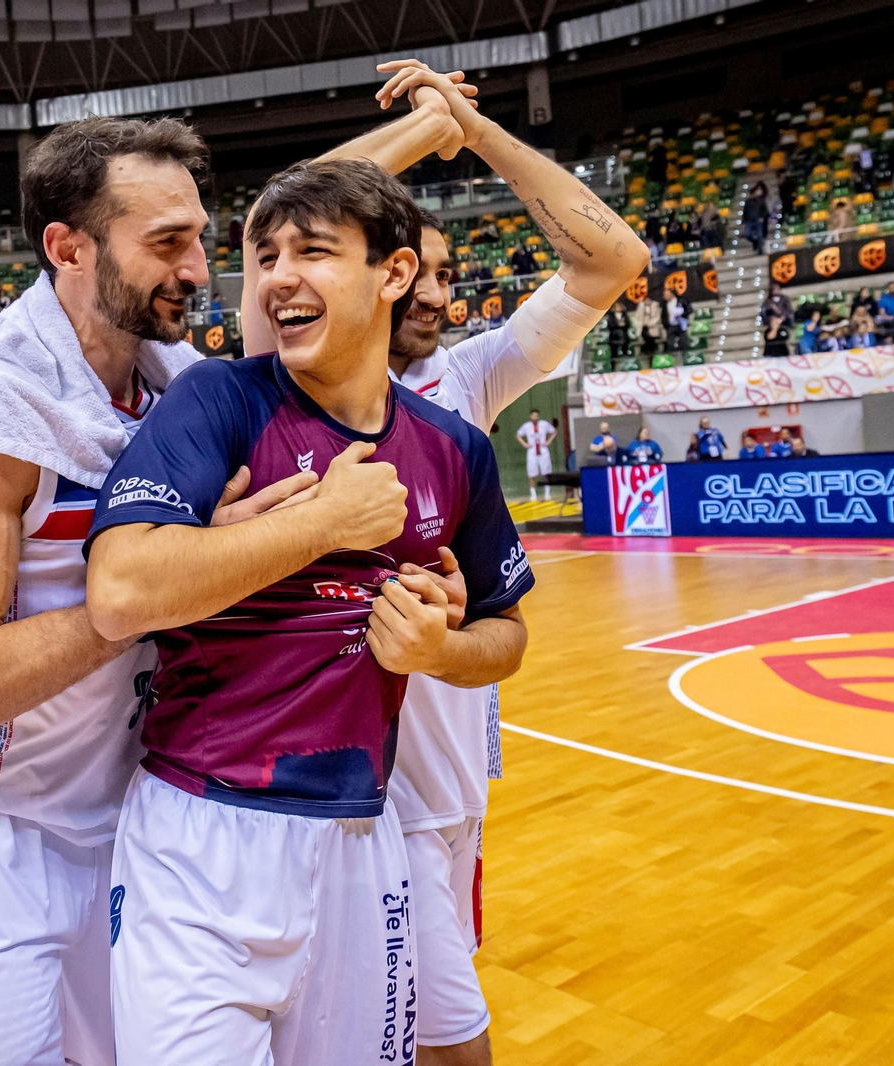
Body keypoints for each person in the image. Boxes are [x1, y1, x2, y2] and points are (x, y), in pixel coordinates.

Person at [85, 156, 533, 1066]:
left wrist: (439, 653)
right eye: (267, 256)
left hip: (363, 836)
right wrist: (322, 524)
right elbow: (120, 590)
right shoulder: (219, 397)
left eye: (315, 252)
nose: (280, 276)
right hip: (200, 831)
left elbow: (507, 632)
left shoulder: (452, 448)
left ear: (393, 273)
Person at [257, 60, 637, 1065]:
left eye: (437, 270)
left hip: (446, 780)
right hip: (347, 792)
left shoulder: (460, 383)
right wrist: (421, 133)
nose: (429, 284)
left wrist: (472, 128)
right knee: (444, 1042)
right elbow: (281, 216)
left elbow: (612, 259)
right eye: (405, 264)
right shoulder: (272, 379)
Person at [0, 115, 216, 1066]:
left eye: (196, 237)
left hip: (140, 816)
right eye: (165, 244)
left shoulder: (172, 378)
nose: (196, 269)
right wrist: (156, 594)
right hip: (0, 829)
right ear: (67, 249)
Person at [517, 407, 557, 500]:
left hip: (543, 450)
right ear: (530, 416)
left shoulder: (544, 424)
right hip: (532, 451)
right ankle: (533, 494)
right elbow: (519, 435)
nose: (535, 417)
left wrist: (548, 442)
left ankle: (547, 493)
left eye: (536, 415)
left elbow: (553, 432)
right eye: (533, 415)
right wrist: (525, 444)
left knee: (546, 472)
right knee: (531, 473)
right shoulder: (526, 426)